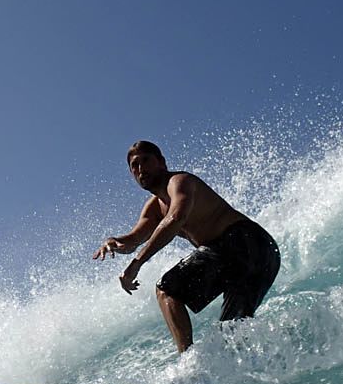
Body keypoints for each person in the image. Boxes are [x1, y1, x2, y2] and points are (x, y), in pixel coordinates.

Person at [93, 140, 280, 353]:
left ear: (161, 162)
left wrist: (136, 264)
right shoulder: (154, 207)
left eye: (146, 161)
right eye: (134, 166)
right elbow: (134, 239)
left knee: (166, 289)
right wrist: (114, 242)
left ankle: (187, 361)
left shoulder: (179, 182)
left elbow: (176, 218)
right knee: (230, 332)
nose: (140, 169)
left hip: (242, 240)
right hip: (263, 255)